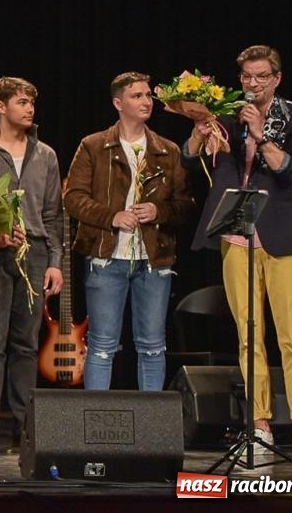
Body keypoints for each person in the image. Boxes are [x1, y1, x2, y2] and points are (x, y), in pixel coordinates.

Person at [185, 45, 292, 462]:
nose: (252, 84)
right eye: (246, 76)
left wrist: (261, 135)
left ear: (276, 77)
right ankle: (258, 425)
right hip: (236, 233)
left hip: (281, 235)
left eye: (261, 76)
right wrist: (198, 129)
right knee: (249, 336)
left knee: (291, 335)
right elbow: (190, 158)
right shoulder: (227, 111)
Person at [64, 72, 194, 392]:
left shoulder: (167, 150)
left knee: (152, 345)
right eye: (137, 96)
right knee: (102, 346)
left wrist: (158, 211)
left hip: (154, 260)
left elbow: (186, 205)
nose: (146, 101)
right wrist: (113, 217)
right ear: (118, 103)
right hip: (107, 258)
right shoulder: (94, 146)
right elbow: (73, 198)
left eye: (148, 95)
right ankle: (95, 426)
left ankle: (150, 426)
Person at [0, 76, 63, 449]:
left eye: (31, 102)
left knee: (27, 343)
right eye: (21, 102)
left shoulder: (45, 154)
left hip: (33, 253)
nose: (29, 109)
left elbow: (53, 215)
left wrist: (55, 262)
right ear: (1, 107)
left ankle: (24, 427)